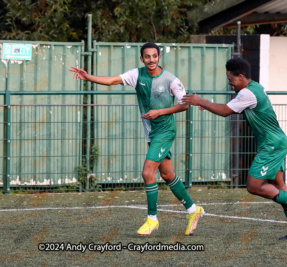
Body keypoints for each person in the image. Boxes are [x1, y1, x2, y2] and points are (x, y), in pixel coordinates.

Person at [69, 42, 204, 236]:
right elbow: (111, 81)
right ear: (142, 58)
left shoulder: (171, 80)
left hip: (165, 131)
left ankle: (152, 219)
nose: (151, 60)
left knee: (148, 173)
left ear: (159, 57)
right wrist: (87, 76)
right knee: (167, 175)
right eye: (147, 56)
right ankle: (193, 210)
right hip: (152, 132)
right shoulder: (136, 75)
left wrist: (160, 112)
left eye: (154, 56)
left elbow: (184, 105)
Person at [182, 57, 287, 240]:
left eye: (230, 80)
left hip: (271, 144)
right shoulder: (254, 87)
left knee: (254, 185)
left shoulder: (247, 94)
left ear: (241, 77)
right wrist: (208, 105)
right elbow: (228, 107)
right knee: (278, 185)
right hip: (276, 142)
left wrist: (200, 101)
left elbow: (225, 111)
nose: (230, 84)